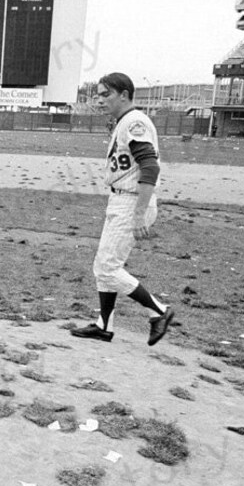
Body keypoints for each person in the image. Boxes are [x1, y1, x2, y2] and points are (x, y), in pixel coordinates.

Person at [71, 72, 175, 346]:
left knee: (107, 268)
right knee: (103, 266)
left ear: (124, 95)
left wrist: (139, 214)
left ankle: (159, 311)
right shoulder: (125, 121)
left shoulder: (134, 122)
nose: (99, 100)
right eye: (98, 94)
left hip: (132, 201)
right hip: (122, 199)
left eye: (106, 94)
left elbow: (150, 166)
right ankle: (104, 326)